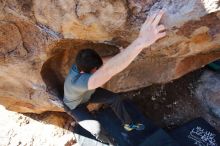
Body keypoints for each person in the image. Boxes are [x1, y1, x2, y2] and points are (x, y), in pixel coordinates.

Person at [63, 10, 166, 140]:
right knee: (97, 129)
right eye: (96, 70)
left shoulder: (81, 64)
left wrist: (120, 54)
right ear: (89, 72)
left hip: (86, 95)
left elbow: (102, 62)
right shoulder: (81, 82)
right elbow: (108, 70)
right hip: (75, 106)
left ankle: (128, 124)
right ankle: (109, 142)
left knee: (115, 99)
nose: (98, 69)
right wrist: (141, 42)